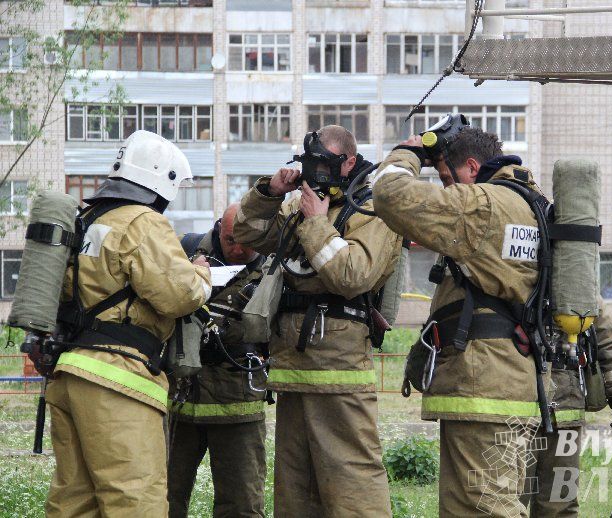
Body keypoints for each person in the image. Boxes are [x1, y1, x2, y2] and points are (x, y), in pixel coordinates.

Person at [371, 125, 547, 517]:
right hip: (511, 377)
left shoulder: (482, 204)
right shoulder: (530, 204)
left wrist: (407, 153)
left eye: (449, 179)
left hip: (483, 380)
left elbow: (390, 195)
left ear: (472, 166)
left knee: (483, 506)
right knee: (484, 502)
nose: (449, 191)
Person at [233, 125, 402, 517]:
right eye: (309, 164)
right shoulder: (300, 207)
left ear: (349, 162)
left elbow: (352, 276)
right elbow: (246, 233)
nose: (315, 174)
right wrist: (271, 194)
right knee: (296, 490)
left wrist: (316, 222)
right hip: (292, 368)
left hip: (339, 370)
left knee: (353, 487)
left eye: (323, 164)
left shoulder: (372, 210)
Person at [43, 130, 212, 517]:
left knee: (74, 501)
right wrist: (200, 274)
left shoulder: (86, 221)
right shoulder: (142, 222)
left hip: (69, 373)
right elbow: (179, 294)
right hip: (116, 379)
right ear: (162, 181)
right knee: (135, 499)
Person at [167, 203, 268, 518]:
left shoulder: (274, 268)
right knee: (160, 497)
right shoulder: (185, 249)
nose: (237, 248)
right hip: (179, 401)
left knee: (241, 505)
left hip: (238, 404)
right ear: (217, 230)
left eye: (246, 240)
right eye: (229, 239)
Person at [525, 298, 612, 517]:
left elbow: (605, 339)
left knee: (555, 498)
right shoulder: (576, 282)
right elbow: (607, 341)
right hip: (549, 403)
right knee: (544, 499)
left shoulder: (576, 284)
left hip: (548, 407)